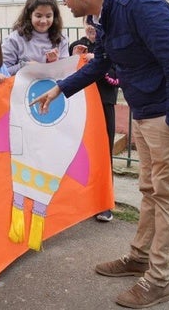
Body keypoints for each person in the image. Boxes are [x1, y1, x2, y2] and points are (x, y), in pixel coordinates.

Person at [30, 0, 169, 308]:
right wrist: (60, 90)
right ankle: (139, 258)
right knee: (149, 188)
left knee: (167, 193)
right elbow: (103, 61)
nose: (64, 3)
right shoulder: (104, 16)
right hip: (144, 109)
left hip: (168, 110)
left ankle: (158, 281)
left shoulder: (139, 6)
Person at [70, 17, 119, 222]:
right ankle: (81, 202)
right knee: (80, 153)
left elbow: (119, 75)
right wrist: (74, 58)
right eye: (87, 22)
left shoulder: (113, 44)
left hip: (104, 104)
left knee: (103, 153)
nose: (91, 26)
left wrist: (98, 63)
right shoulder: (76, 46)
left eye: (95, 22)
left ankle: (104, 204)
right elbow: (66, 74)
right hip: (81, 108)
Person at [3, 0, 69, 75]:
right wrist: (24, 66)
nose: (43, 21)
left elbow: (66, 71)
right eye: (38, 16)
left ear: (54, 16)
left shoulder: (61, 38)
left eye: (48, 16)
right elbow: (2, 72)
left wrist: (55, 63)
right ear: (30, 14)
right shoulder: (14, 39)